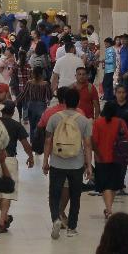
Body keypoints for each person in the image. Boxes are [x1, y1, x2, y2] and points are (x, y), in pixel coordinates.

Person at [43, 86, 93, 239]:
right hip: (76, 164)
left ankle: (56, 219)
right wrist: (89, 165)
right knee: (75, 196)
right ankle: (72, 228)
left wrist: (45, 161)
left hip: (57, 163)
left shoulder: (54, 118)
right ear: (78, 102)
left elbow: (48, 141)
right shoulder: (84, 121)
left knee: (54, 194)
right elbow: (87, 145)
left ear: (64, 101)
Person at [91, 100, 128, 218]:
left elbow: (94, 142)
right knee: (113, 185)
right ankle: (108, 208)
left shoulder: (98, 123)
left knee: (105, 186)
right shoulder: (120, 122)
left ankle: (108, 209)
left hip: (101, 159)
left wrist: (97, 154)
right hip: (117, 158)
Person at [0, 100, 33, 232]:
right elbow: (25, 144)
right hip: (9, 159)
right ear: (13, 112)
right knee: (7, 192)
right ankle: (2, 221)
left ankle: (4, 218)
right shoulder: (16, 125)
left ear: (1, 110)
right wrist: (31, 156)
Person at [18, 65, 52, 133]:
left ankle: (32, 139)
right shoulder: (45, 84)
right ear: (42, 74)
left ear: (33, 73)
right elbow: (49, 96)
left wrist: (16, 101)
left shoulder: (29, 83)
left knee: (32, 126)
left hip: (31, 105)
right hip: (42, 106)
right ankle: (39, 139)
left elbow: (23, 94)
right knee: (40, 126)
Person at [102, 37, 117, 101]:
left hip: (109, 70)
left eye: (105, 44)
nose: (105, 45)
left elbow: (111, 60)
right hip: (109, 69)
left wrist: (104, 61)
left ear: (109, 43)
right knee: (109, 84)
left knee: (105, 84)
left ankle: (107, 97)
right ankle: (110, 97)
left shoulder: (110, 50)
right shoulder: (110, 49)